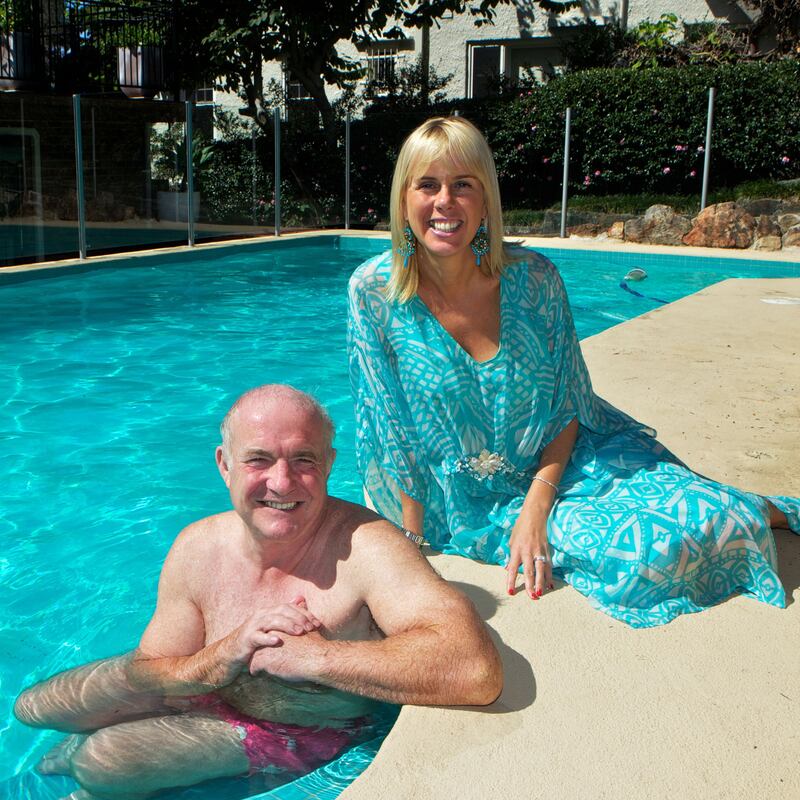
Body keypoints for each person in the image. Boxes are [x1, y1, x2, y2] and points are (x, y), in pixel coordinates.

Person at [347, 115, 799, 629]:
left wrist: (537, 508)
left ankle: (767, 509)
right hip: (469, 502)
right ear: (404, 199)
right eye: (427, 184)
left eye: (463, 185)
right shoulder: (374, 293)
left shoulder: (535, 280)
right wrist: (412, 541)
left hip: (570, 461)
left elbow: (568, 406)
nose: (444, 201)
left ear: (485, 199)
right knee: (642, 560)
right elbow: (389, 427)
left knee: (709, 514)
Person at [14, 384, 502, 799]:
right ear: (224, 464)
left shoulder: (368, 548)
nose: (281, 482)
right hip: (207, 694)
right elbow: (154, 665)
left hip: (304, 728)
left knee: (102, 759)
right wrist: (218, 657)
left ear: (329, 463)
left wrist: (315, 660)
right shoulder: (199, 545)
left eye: (303, 460)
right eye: (259, 460)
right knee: (35, 707)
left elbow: (473, 668)